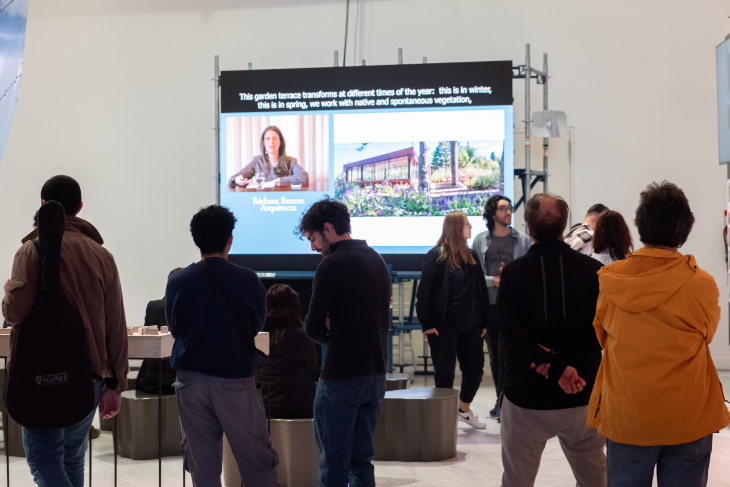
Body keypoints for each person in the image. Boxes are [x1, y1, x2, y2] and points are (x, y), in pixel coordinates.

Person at [587, 182, 730, 487]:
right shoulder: (701, 284)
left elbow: (602, 337)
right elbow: (707, 335)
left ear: (640, 226)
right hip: (689, 414)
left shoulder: (611, 282)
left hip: (628, 415)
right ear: (686, 228)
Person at [2, 175, 128, 487]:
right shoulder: (102, 255)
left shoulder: (31, 250)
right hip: (91, 377)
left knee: (44, 460)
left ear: (43, 205)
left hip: (40, 373)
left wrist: (8, 294)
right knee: (72, 458)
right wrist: (116, 383)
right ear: (80, 207)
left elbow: (15, 312)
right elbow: (115, 323)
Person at [165, 205, 279, 487]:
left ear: (196, 240)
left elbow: (175, 329)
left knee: (202, 467)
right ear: (230, 239)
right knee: (256, 461)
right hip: (234, 380)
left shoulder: (177, 282)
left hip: (189, 382)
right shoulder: (248, 279)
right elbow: (253, 327)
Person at [498, 193, 606, 487]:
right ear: (564, 227)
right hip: (581, 391)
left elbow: (509, 330)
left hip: (526, 395)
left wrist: (551, 364)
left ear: (529, 229)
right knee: (595, 480)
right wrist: (565, 368)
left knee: (517, 480)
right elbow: (600, 331)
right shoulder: (594, 271)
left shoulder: (514, 273)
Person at [299, 197, 391, 487]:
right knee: (361, 460)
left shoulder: (331, 265)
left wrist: (330, 332)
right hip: (375, 375)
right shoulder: (376, 259)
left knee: (334, 462)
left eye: (313, 238)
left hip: (341, 377)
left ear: (327, 229)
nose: (313, 247)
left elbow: (313, 328)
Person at [416, 211, 489, 429]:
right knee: (444, 374)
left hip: (470, 325)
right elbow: (424, 294)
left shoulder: (472, 256)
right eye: (467, 224)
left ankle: (462, 411)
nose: (471, 228)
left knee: (475, 369)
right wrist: (428, 325)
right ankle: (443, 420)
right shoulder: (435, 256)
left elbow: (481, 292)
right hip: (443, 326)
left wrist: (483, 321)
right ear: (457, 228)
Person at [472, 195, 531, 421]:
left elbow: (527, 270)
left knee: (508, 354)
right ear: (493, 213)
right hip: (489, 305)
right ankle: (500, 401)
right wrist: (493, 280)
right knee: (495, 357)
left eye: (510, 208)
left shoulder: (522, 240)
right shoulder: (480, 240)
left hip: (513, 305)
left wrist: (510, 277)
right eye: (504, 208)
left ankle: (508, 402)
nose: (509, 212)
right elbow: (476, 276)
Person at [261, 284, 317, 419]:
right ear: (295, 305)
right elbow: (312, 367)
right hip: (298, 407)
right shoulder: (302, 335)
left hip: (263, 405)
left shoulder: (259, 335)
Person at [136, 267, 183, 395]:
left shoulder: (153, 306)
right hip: (181, 378)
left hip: (153, 378)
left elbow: (146, 339)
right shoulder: (193, 308)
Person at [228, 125, 308, 188]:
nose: (271, 142)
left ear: (280, 142)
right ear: (263, 143)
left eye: (275, 138)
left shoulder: (291, 161)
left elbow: (304, 176)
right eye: (268, 139)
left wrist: (279, 180)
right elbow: (233, 178)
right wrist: (238, 179)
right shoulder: (257, 161)